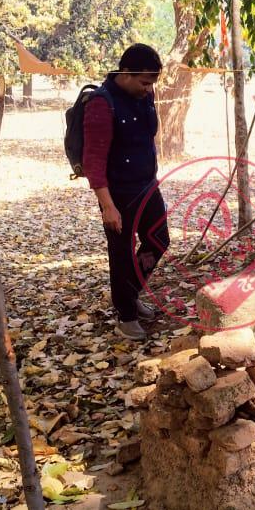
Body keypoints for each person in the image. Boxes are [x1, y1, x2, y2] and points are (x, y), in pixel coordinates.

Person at [82, 43, 171, 340]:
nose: (148, 89)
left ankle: (129, 294)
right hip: (118, 193)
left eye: (152, 84)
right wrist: (107, 206)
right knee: (121, 255)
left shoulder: (144, 96)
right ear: (126, 74)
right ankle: (126, 315)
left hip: (147, 185)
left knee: (159, 240)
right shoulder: (101, 103)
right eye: (144, 82)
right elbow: (93, 161)